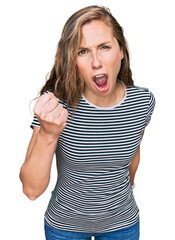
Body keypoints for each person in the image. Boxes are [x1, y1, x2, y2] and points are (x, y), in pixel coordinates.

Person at [20, 5, 155, 240]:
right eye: (82, 51)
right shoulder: (55, 105)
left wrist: (128, 186)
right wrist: (48, 134)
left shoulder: (142, 102)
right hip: (65, 226)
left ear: (121, 51)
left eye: (104, 47)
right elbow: (31, 190)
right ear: (72, 60)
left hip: (122, 225)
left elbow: (133, 153)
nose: (96, 62)